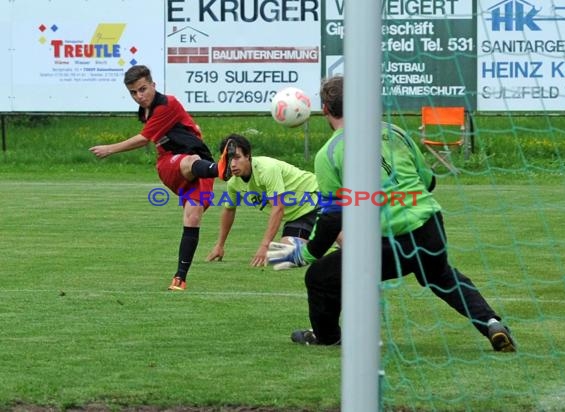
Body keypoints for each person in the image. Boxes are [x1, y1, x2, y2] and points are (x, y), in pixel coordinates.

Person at [268, 75, 516, 352]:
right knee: (441, 276)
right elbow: (429, 180)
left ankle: (328, 337)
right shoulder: (394, 132)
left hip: (391, 239)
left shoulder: (329, 153)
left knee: (320, 276)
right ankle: (492, 323)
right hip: (431, 225)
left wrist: (307, 253)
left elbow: (332, 216)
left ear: (325, 109)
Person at [89, 65, 236, 291]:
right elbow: (152, 136)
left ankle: (180, 278)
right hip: (170, 164)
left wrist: (110, 149)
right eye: (133, 92)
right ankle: (220, 168)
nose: (139, 96)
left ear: (154, 85)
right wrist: (192, 129)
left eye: (143, 89)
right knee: (190, 159)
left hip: (201, 169)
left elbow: (144, 138)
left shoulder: (167, 104)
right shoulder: (148, 111)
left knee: (192, 217)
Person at [206, 134, 322, 268]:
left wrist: (264, 245)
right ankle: (326, 247)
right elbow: (229, 210)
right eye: (229, 158)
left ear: (248, 156)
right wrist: (219, 245)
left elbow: (278, 208)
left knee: (342, 243)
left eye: (237, 158)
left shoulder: (267, 169)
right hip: (297, 217)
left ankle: (334, 243)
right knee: (284, 257)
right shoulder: (233, 182)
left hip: (318, 199)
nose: (232, 164)